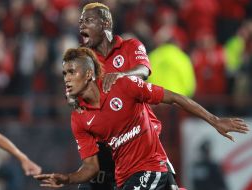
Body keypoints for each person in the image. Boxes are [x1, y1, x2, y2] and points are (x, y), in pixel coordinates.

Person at [34, 47, 249, 190]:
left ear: (89, 74)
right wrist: (67, 179)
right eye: (64, 74)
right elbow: (92, 167)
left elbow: (174, 97)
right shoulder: (79, 119)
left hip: (151, 167)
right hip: (125, 179)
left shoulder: (123, 85)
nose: (67, 79)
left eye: (71, 72)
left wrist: (215, 120)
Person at [77, 2, 165, 189]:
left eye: (88, 20)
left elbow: (144, 71)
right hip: (104, 146)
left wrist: (121, 75)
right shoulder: (85, 60)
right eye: (81, 22)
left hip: (137, 142)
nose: (82, 26)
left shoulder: (130, 46)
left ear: (106, 23)